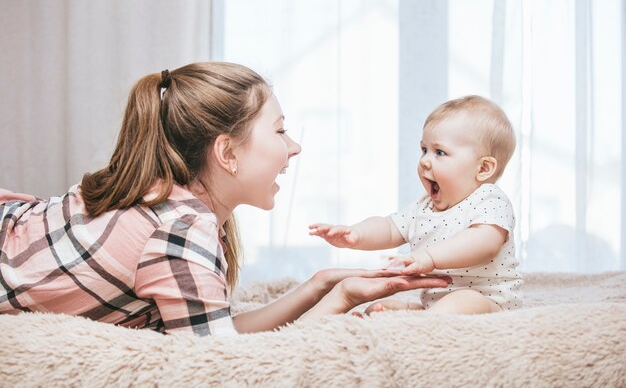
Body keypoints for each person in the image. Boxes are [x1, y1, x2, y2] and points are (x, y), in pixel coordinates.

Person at [0, 62, 451, 337]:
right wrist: (338, 304)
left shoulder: (173, 199)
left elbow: (214, 331)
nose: (294, 146)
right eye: (279, 130)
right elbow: (224, 365)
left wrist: (321, 287)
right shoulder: (179, 227)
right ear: (227, 153)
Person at [310, 95, 522, 315]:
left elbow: (484, 243)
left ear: (483, 168)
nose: (424, 161)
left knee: (462, 300)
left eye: (439, 152)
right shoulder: (424, 206)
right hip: (436, 302)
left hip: (487, 301)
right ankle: (408, 321)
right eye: (424, 150)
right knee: (380, 308)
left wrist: (428, 257)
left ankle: (421, 324)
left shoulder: (489, 199)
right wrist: (355, 234)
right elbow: (389, 227)